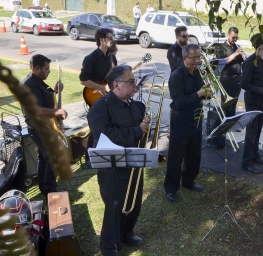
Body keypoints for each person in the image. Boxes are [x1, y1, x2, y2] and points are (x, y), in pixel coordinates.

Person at [87, 65, 149, 256]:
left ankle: (126, 234)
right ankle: (108, 247)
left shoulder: (134, 105)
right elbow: (106, 134)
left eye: (134, 81)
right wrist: (137, 131)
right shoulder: (100, 107)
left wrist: (145, 126)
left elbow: (139, 132)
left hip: (134, 162)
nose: (135, 85)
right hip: (112, 167)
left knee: (134, 202)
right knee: (115, 207)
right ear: (116, 85)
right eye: (130, 82)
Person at [164, 44, 212, 202]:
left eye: (199, 57)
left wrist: (207, 93)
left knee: (194, 153)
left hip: (196, 117)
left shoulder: (197, 73)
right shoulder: (176, 77)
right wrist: (199, 93)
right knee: (176, 156)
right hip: (180, 119)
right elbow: (179, 102)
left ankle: (188, 181)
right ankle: (171, 188)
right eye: (194, 58)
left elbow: (202, 95)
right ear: (184, 58)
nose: (198, 61)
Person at [21, 54, 68, 197]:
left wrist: (54, 92)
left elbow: (42, 100)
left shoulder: (37, 81)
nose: (49, 71)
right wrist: (57, 111)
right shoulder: (29, 85)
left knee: (44, 158)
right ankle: (50, 191)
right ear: (36, 68)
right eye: (46, 69)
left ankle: (44, 187)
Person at [240, 33, 263, 174]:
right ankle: (247, 162)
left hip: (262, 99)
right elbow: (244, 84)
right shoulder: (250, 61)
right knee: (252, 131)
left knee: (259, 128)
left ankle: (255, 155)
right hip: (252, 100)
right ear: (260, 45)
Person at [215, 27, 245, 119]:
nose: (235, 39)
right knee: (225, 103)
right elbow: (222, 61)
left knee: (234, 102)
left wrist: (243, 56)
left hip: (237, 79)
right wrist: (235, 54)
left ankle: (231, 123)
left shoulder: (237, 46)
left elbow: (242, 62)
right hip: (226, 78)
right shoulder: (221, 48)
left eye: (236, 38)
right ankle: (223, 122)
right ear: (228, 35)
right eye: (233, 37)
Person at [80, 28, 117, 95]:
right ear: (102, 40)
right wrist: (102, 88)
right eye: (109, 37)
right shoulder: (90, 58)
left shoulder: (112, 57)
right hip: (95, 95)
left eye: (112, 37)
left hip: (109, 95)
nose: (112, 40)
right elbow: (83, 81)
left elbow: (115, 76)